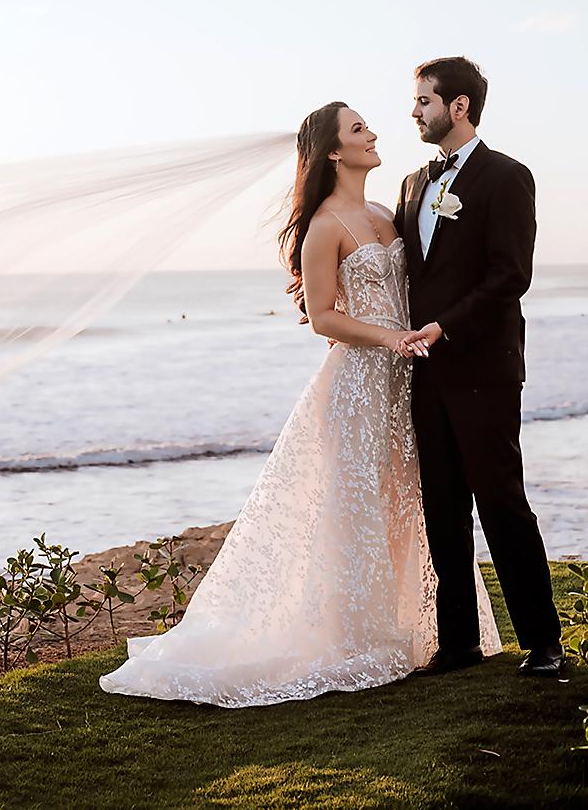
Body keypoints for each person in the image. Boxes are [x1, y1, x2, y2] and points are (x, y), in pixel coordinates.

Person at [98, 101, 501, 707]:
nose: (373, 133)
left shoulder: (387, 213)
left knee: (405, 506)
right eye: (358, 129)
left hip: (408, 383)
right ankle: (355, 639)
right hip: (359, 384)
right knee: (355, 510)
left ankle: (420, 631)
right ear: (334, 152)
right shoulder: (324, 226)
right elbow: (322, 317)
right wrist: (393, 337)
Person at [396, 57, 564, 677]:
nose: (414, 112)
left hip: (484, 367)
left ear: (458, 106)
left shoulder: (507, 177)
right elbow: (402, 270)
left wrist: (449, 327)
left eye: (423, 101)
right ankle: (460, 641)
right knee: (441, 505)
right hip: (425, 371)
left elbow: (510, 276)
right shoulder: (413, 184)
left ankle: (543, 642)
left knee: (501, 503)